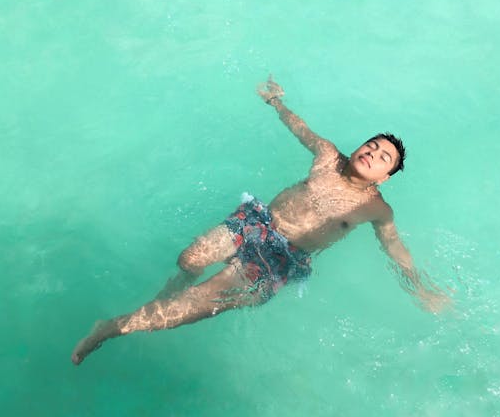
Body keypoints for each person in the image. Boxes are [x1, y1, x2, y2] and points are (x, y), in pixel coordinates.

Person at [71, 75, 449, 365]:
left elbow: (395, 247)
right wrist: (276, 102)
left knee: (199, 301)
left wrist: (419, 287)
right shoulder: (327, 158)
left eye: (384, 157)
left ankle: (113, 328)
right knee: (189, 260)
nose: (373, 152)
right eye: (373, 145)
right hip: (257, 223)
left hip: (277, 260)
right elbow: (299, 127)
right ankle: (164, 299)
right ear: (358, 147)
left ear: (384, 178)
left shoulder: (376, 209)